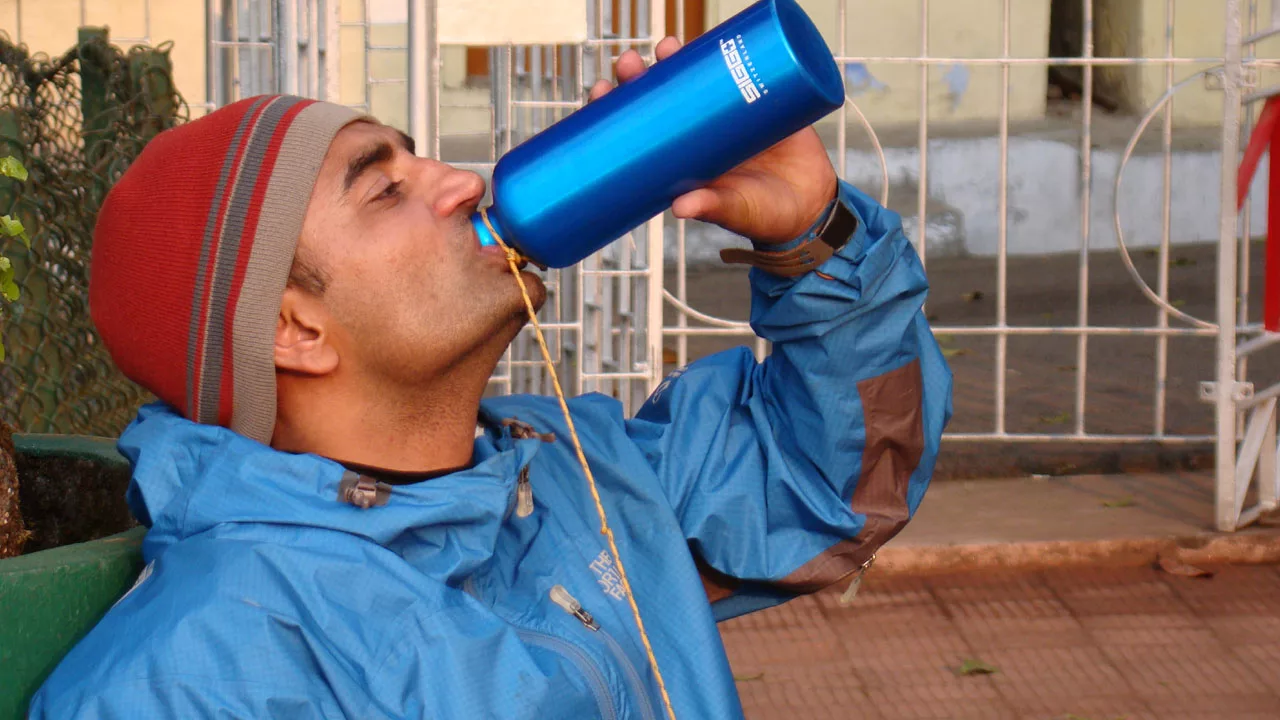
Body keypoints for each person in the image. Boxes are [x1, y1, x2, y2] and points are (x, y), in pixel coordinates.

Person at [30, 38, 951, 719]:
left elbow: (834, 486)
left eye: (417, 157)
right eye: (383, 189)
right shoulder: (197, 676)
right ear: (294, 330)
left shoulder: (580, 481)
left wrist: (810, 236)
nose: (463, 184)